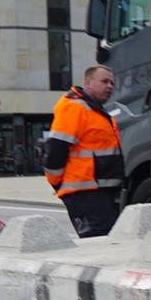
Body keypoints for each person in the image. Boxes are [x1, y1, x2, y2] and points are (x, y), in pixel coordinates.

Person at [42, 66, 123, 237]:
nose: (109, 86)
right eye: (104, 81)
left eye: (112, 83)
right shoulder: (75, 107)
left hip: (100, 192)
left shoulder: (97, 110)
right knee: (97, 243)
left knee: (106, 243)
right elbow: (55, 150)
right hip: (85, 194)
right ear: (87, 83)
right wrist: (57, 183)